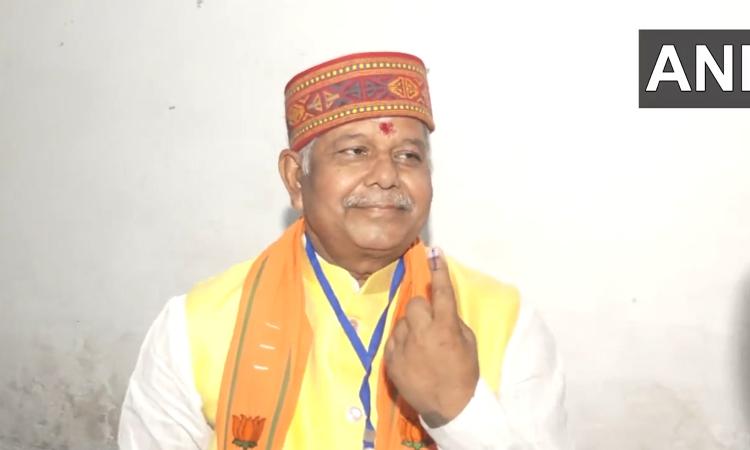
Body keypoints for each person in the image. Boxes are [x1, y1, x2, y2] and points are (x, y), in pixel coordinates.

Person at [118, 51, 570, 450]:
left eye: (408, 156)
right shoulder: (194, 328)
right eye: (356, 151)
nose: (386, 176)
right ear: (295, 178)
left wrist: (458, 412)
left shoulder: (504, 320)